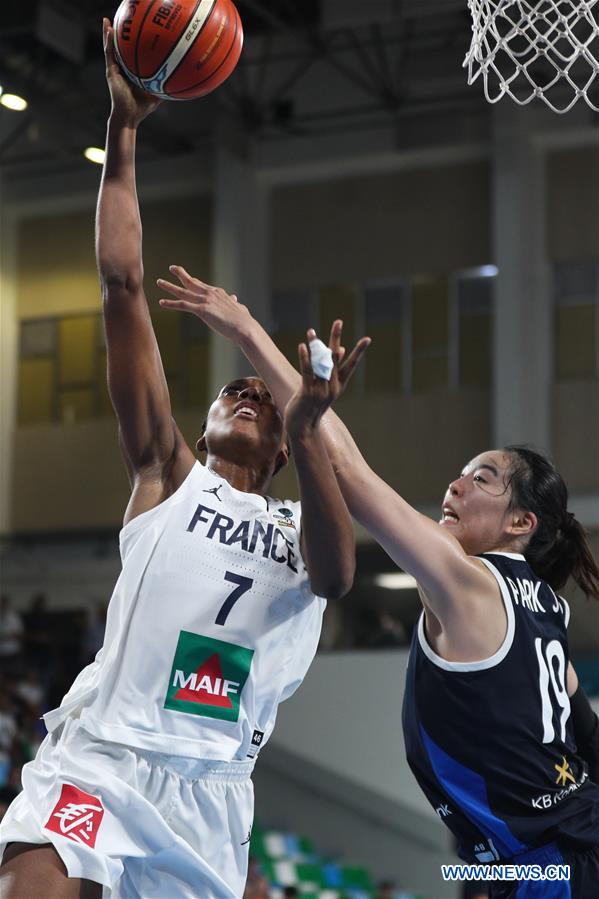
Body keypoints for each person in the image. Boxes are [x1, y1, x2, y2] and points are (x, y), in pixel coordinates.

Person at [0, 20, 366, 899]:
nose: (246, 394)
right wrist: (122, 130)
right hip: (101, 761)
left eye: (264, 401)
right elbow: (123, 286)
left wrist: (313, 423)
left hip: (209, 789)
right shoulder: (167, 476)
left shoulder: (296, 521)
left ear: (285, 446)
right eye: (231, 391)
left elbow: (339, 574)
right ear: (201, 426)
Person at [153, 277, 599, 897]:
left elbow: (348, 471)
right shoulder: (546, 610)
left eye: (482, 479)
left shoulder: (467, 580)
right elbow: (581, 721)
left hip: (549, 865)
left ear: (521, 523)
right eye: (460, 474)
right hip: (540, 857)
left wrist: (248, 332)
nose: (456, 486)